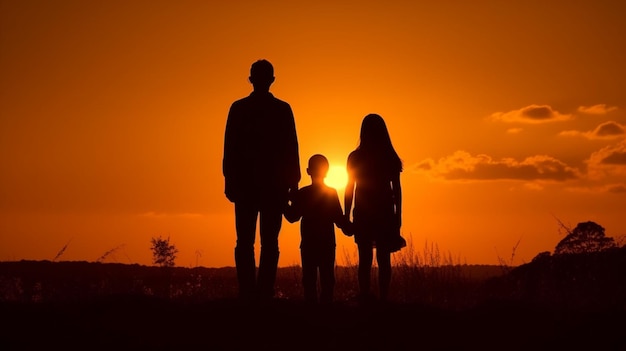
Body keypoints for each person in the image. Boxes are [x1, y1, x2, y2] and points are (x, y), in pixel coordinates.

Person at [222, 59, 301, 302]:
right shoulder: (282, 109)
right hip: (272, 187)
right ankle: (262, 292)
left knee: (245, 242)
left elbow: (230, 148)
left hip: (248, 185)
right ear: (271, 80)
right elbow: (292, 149)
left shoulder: (239, 108)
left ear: (251, 79)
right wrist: (293, 184)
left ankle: (249, 292)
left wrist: (229, 180)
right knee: (268, 242)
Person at [344, 113, 405, 304]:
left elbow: (349, 188)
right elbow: (397, 190)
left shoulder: (355, 157)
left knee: (365, 257)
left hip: (364, 211)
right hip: (384, 212)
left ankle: (365, 295)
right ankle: (383, 298)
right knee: (383, 258)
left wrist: (347, 215)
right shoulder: (390, 157)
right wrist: (398, 216)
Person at [284, 154, 352, 305]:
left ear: (308, 171)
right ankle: (326, 313)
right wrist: (350, 226)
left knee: (309, 280)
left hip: (308, 244)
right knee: (327, 279)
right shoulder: (331, 193)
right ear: (327, 172)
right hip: (327, 243)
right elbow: (338, 219)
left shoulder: (303, 193)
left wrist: (283, 201)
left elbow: (292, 217)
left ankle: (312, 313)